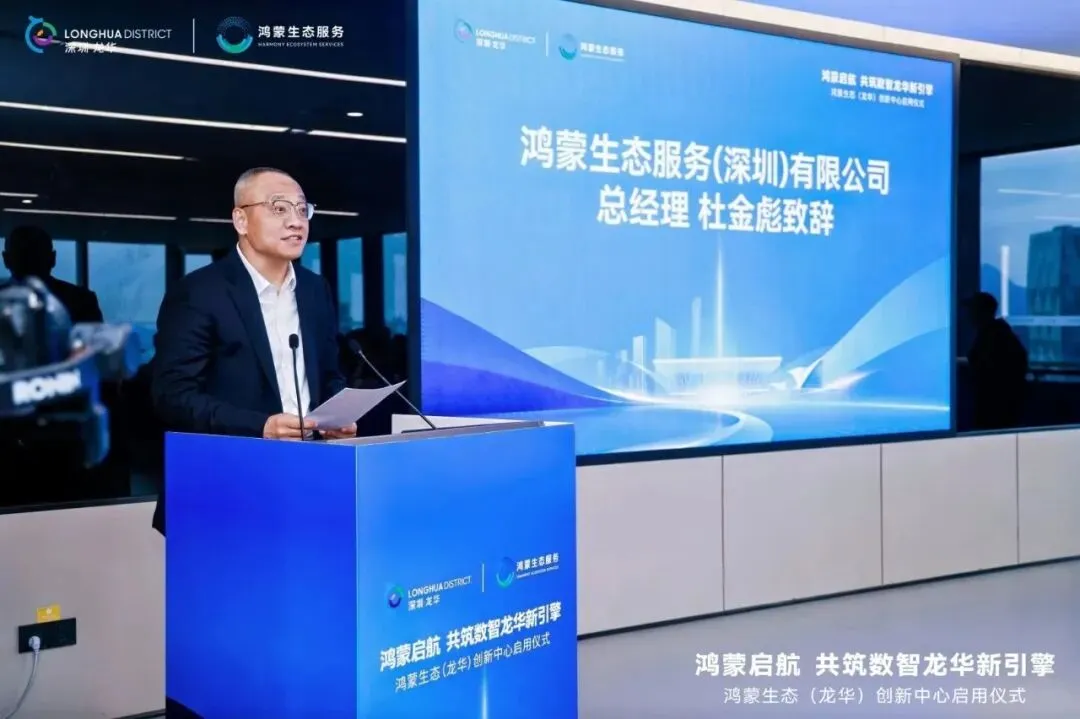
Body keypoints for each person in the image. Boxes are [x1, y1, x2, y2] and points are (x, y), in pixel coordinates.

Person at [151, 167, 356, 534]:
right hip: (224, 487)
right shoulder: (199, 292)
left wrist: (336, 415)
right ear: (241, 220)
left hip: (305, 478)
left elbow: (328, 373)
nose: (296, 221)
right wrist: (261, 427)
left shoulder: (314, 289)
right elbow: (173, 396)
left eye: (302, 209)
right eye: (279, 208)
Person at [2, 224, 103, 323]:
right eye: (24, 255)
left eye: (35, 255)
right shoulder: (82, 301)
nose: (30, 261)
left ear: (6, 259)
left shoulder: (82, 300)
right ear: (52, 258)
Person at [965, 291, 1028, 430]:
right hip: (996, 407)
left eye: (973, 309)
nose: (969, 315)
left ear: (982, 312)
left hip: (994, 409)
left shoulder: (994, 337)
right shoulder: (997, 334)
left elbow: (990, 371)